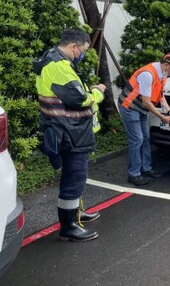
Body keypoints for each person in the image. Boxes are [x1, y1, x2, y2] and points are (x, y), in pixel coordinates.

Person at [33, 28, 106, 242]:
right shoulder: (58, 66)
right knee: (74, 176)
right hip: (69, 131)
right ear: (74, 46)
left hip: (66, 129)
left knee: (75, 175)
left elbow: (71, 92)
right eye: (82, 50)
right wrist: (98, 92)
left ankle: (75, 214)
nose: (82, 54)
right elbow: (79, 99)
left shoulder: (54, 60)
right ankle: (69, 226)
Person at [118, 52, 170, 186]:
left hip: (140, 109)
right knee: (137, 139)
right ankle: (134, 174)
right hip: (129, 107)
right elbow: (147, 102)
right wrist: (163, 117)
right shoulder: (147, 75)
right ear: (166, 65)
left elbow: (160, 96)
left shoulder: (163, 74)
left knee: (146, 137)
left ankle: (146, 168)